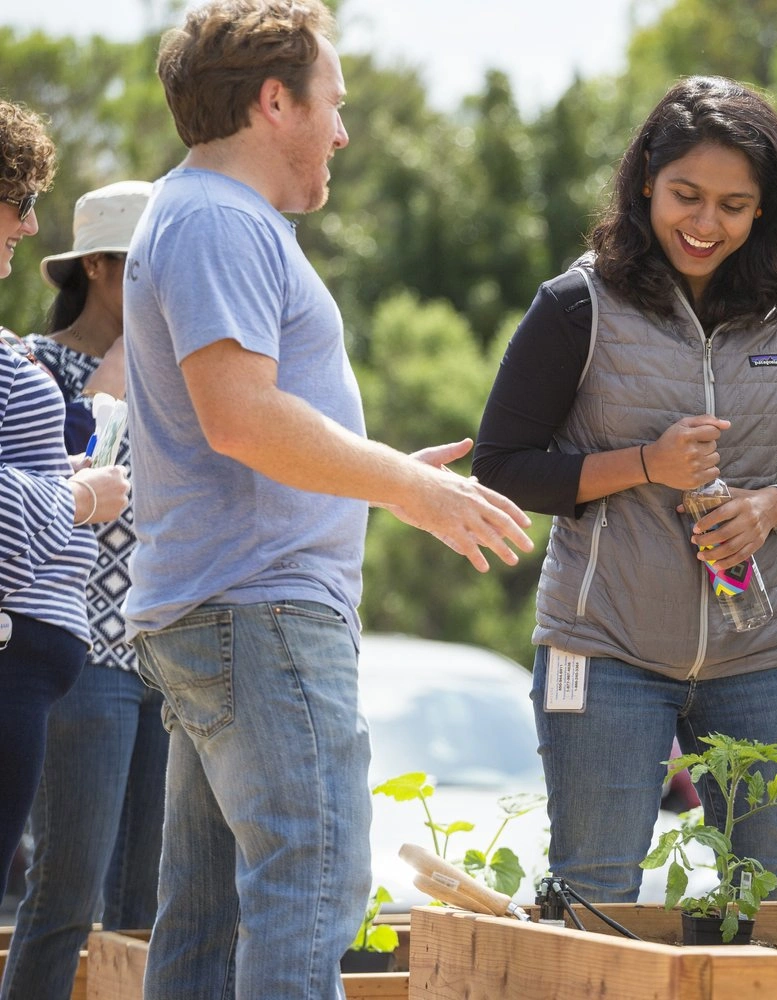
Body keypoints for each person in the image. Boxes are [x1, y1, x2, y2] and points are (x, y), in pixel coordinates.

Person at [122, 3, 533, 996]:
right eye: (333, 104)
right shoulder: (221, 219)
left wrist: (386, 473)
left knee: (206, 920)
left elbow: (252, 421)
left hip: (222, 612)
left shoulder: (198, 215)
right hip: (260, 618)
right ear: (275, 101)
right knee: (311, 888)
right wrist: (410, 488)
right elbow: (240, 417)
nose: (342, 130)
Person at [473, 75, 777, 904]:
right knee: (597, 891)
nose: (706, 224)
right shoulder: (577, 306)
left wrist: (773, 507)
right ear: (646, 181)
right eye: (686, 195)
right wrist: (646, 464)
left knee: (774, 896)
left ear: (765, 211)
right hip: (603, 650)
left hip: (757, 656)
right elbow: (501, 462)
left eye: (734, 205)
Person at [2, 181, 164, 1000]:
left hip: (164, 659)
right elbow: (67, 462)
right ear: (99, 267)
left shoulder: (182, 374)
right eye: (148, 266)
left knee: (147, 906)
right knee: (65, 895)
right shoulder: (33, 363)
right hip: (81, 655)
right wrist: (134, 355)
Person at [0, 100, 132, 903]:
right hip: (23, 654)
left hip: (42, 660)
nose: (27, 226)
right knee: (67, 894)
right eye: (19, 205)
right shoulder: (42, 356)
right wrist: (80, 495)